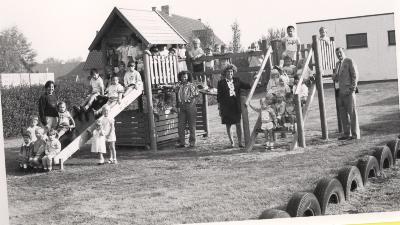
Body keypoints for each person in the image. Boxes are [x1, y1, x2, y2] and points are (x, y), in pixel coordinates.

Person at [217, 64, 252, 148]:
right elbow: (219, 96)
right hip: (226, 106)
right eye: (228, 72)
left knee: (238, 124)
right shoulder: (221, 83)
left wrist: (255, 79)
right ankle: (232, 142)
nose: (230, 73)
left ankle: (240, 142)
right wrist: (219, 108)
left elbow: (247, 86)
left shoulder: (237, 80)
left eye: (231, 72)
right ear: (225, 73)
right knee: (228, 125)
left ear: (233, 72)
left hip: (235, 105)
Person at [333, 47, 360, 140]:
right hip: (339, 92)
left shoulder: (349, 61)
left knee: (352, 113)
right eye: (337, 54)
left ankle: (355, 135)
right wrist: (334, 76)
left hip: (348, 92)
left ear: (343, 52)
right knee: (343, 114)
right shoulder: (337, 64)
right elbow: (337, 78)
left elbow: (355, 75)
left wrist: (352, 89)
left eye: (340, 52)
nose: (339, 55)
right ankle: (346, 134)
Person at [176, 71, 199, 148]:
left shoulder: (191, 85)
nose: (184, 78)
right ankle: (182, 142)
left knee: (192, 126)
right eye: (182, 77)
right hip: (182, 107)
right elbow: (177, 96)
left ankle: (192, 142)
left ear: (188, 77)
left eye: (185, 77)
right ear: (180, 77)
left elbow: (196, 95)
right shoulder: (179, 86)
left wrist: (189, 101)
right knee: (180, 125)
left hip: (190, 106)